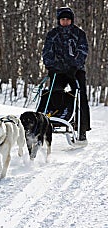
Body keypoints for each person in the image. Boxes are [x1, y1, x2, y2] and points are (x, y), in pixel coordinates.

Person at [42, 7, 90, 142]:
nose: (65, 21)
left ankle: (82, 130)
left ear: (71, 20)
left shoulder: (79, 33)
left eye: (67, 19)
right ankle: (54, 122)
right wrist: (51, 66)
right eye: (62, 19)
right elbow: (47, 51)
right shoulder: (53, 34)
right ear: (59, 20)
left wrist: (74, 66)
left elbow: (83, 51)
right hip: (57, 70)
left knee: (81, 96)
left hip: (76, 70)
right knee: (54, 94)